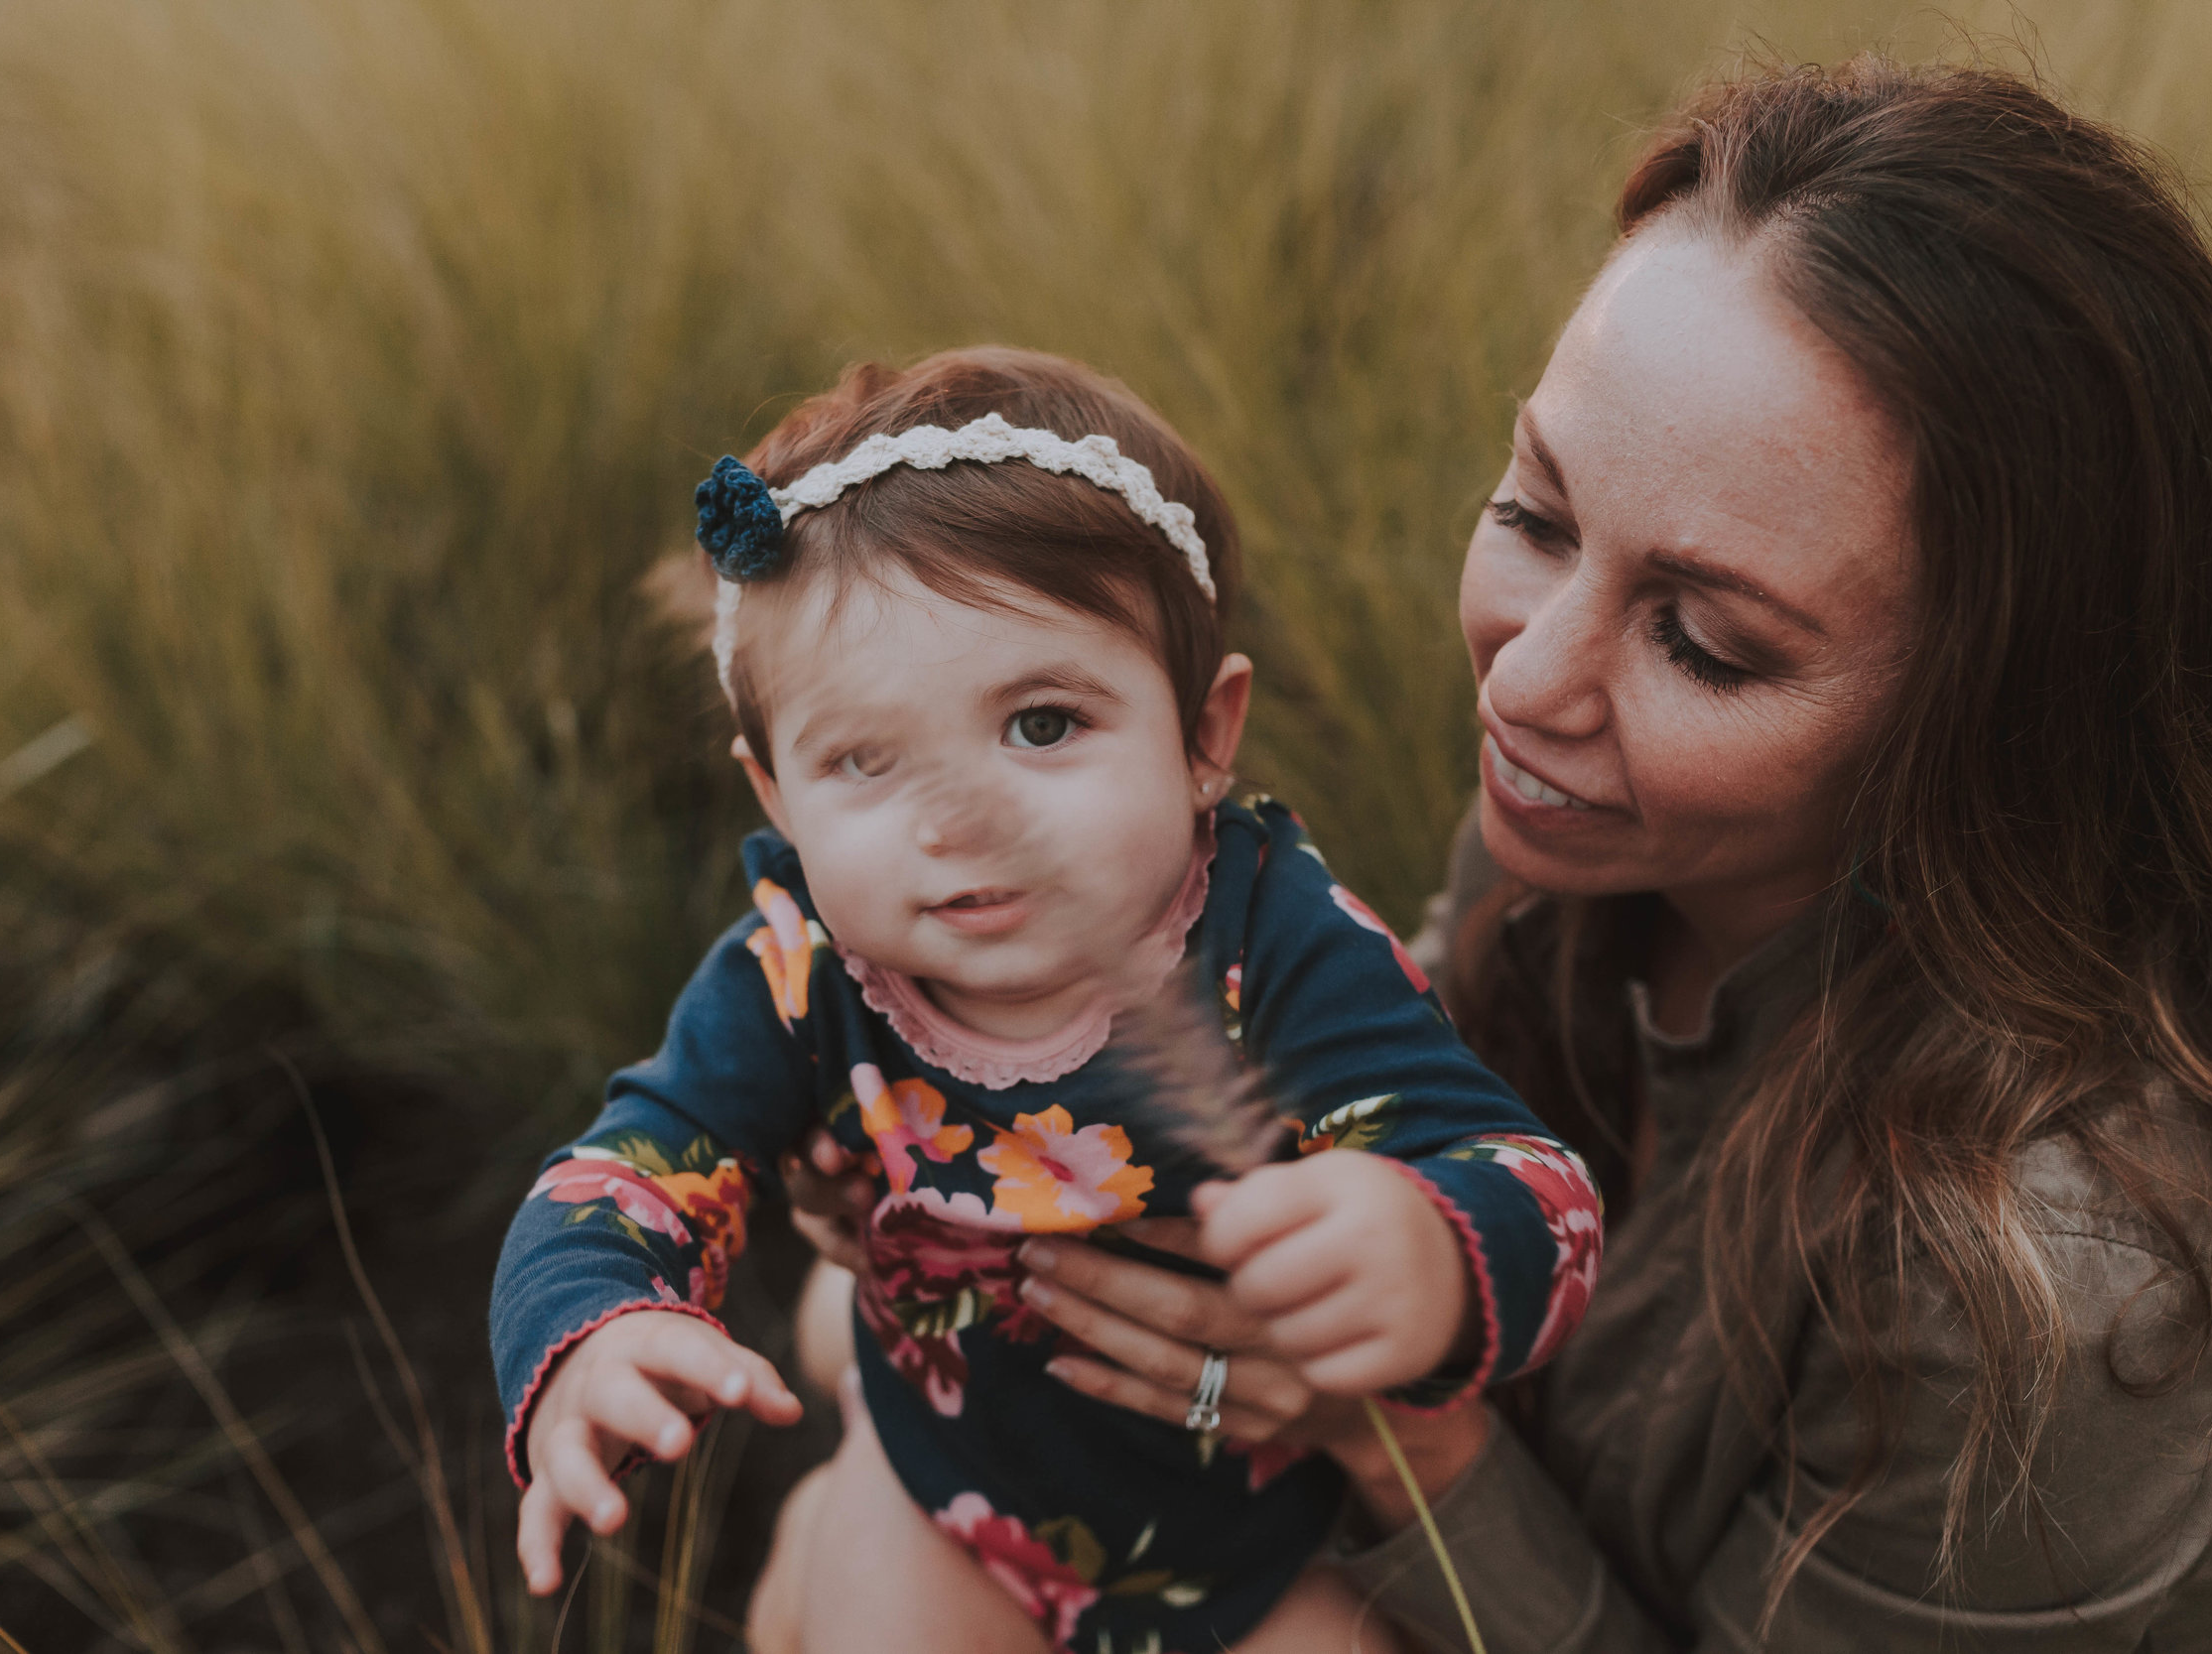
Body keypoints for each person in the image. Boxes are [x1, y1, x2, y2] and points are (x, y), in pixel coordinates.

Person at [782, 57, 2212, 1652]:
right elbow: (1367, 1094)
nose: (1524, 680)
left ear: (1992, 721)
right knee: (860, 1338)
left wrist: (1390, 1429)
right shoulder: (1594, 840)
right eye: (1536, 514)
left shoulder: (2045, 1283)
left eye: (1707, 642)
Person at [487, 346, 1604, 1653]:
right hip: (951, 1509)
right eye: (864, 758)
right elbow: (624, 1172)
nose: (965, 821)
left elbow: (1536, 1186)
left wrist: (1430, 1247)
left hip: (1254, 1545)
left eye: (1041, 726)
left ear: (1203, 737)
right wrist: (589, 1332)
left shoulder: (1273, 940)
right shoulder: (804, 968)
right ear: (778, 802)